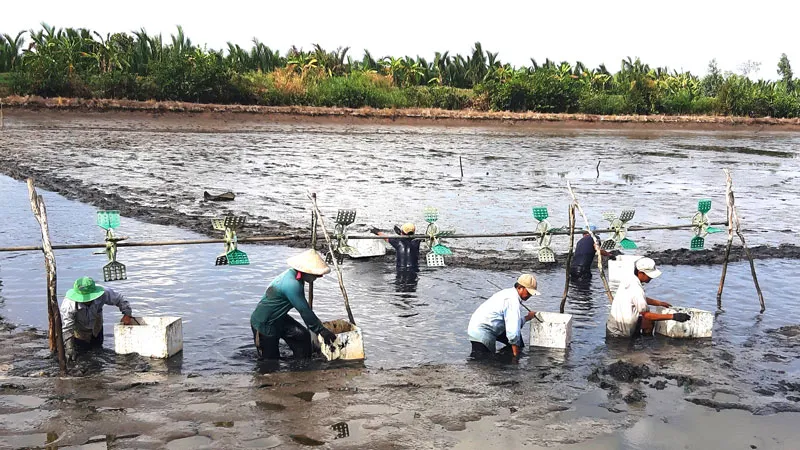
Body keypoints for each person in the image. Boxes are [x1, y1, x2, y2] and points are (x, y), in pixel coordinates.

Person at [250, 249, 338, 360]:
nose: (317, 277)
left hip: (280, 317)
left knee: (302, 336)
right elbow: (304, 310)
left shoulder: (295, 276)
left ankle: (302, 366)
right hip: (264, 323)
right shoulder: (292, 284)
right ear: (306, 271)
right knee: (270, 361)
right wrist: (321, 330)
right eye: (317, 275)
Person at [606, 257, 691, 338]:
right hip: (620, 334)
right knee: (649, 319)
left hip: (613, 326)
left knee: (648, 320)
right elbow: (647, 315)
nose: (651, 278)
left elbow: (637, 299)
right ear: (640, 273)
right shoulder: (636, 289)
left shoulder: (629, 279)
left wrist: (659, 303)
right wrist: (674, 317)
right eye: (649, 275)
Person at [61, 276, 134, 362]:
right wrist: (69, 347)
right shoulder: (68, 305)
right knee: (82, 353)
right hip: (79, 327)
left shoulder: (104, 293)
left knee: (98, 350)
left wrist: (127, 314)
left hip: (96, 323)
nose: (87, 301)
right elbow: (67, 328)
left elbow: (120, 299)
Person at [468, 274, 542, 358]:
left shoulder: (508, 293)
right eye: (528, 292)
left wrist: (527, 317)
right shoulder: (512, 301)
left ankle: (504, 358)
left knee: (519, 343)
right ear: (520, 287)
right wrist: (515, 358)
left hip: (486, 327)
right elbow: (513, 332)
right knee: (483, 362)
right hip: (482, 331)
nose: (530, 296)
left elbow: (515, 323)